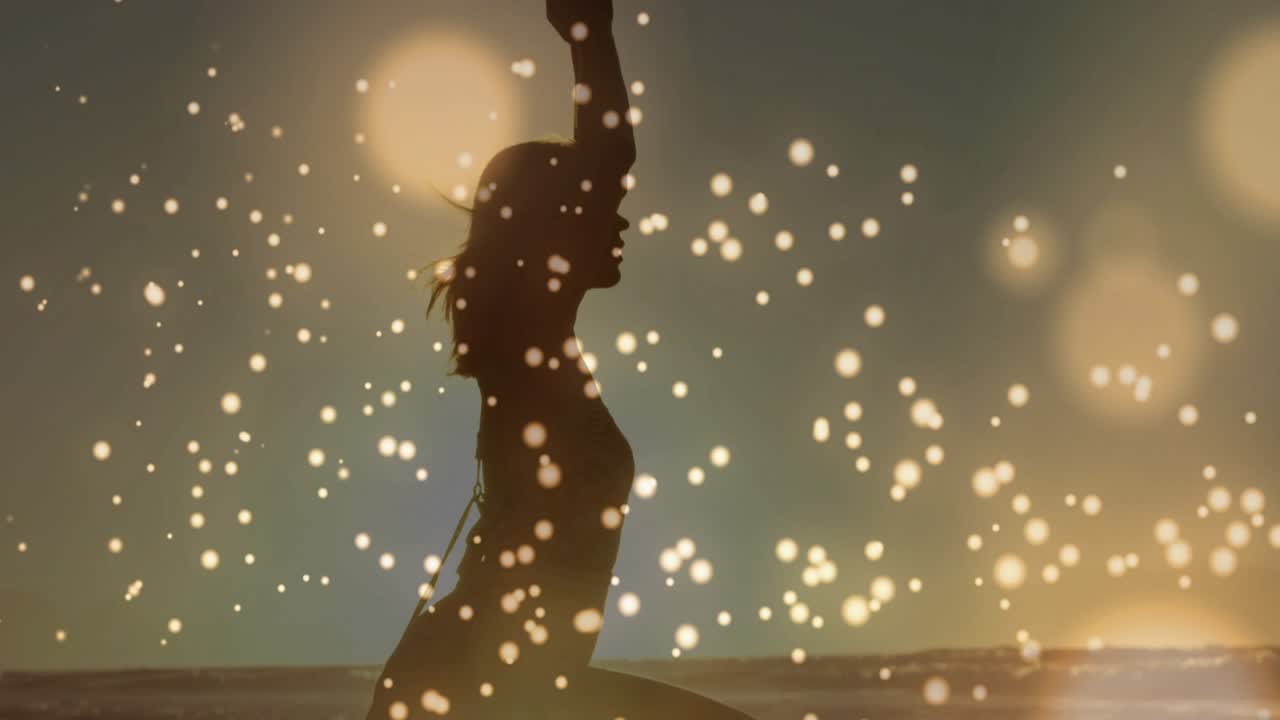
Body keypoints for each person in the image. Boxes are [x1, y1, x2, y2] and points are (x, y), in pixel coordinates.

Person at [364, 2, 758, 718]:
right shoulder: (526, 344)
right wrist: (589, 35)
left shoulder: (540, 348)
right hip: (471, 682)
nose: (622, 219)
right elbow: (612, 157)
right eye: (593, 206)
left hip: (509, 680)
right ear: (550, 227)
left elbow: (609, 168)